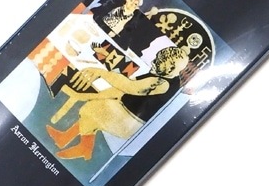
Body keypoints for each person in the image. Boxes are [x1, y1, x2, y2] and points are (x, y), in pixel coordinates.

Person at [46, 46, 188, 160]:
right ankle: (69, 140)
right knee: (93, 107)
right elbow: (121, 91)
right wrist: (93, 96)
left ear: (171, 69)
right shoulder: (160, 76)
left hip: (130, 123)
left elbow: (129, 87)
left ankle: (83, 148)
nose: (153, 62)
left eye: (158, 62)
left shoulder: (163, 83)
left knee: (92, 109)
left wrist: (102, 73)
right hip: (124, 112)